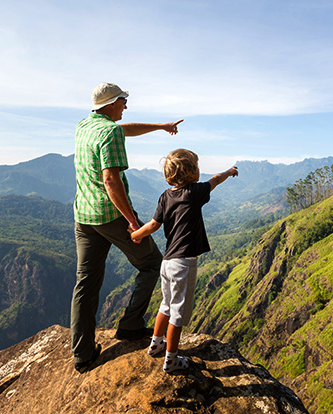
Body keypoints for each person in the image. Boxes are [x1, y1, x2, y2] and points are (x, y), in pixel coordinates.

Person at [71, 82, 183, 373]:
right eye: (122, 101)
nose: (125, 105)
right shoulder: (108, 132)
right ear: (110, 103)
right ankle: (131, 325)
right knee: (152, 264)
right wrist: (132, 221)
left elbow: (124, 128)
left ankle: (82, 355)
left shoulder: (86, 125)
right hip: (111, 216)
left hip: (84, 216)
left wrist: (161, 126)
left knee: (86, 283)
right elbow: (111, 180)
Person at [130, 149, 238, 373]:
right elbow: (215, 180)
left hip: (167, 262)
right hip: (183, 263)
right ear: (190, 172)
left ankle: (156, 344)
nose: (200, 170)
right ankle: (171, 359)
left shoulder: (165, 196)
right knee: (177, 313)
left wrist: (136, 235)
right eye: (196, 166)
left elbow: (153, 225)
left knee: (166, 305)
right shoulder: (194, 192)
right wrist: (229, 172)